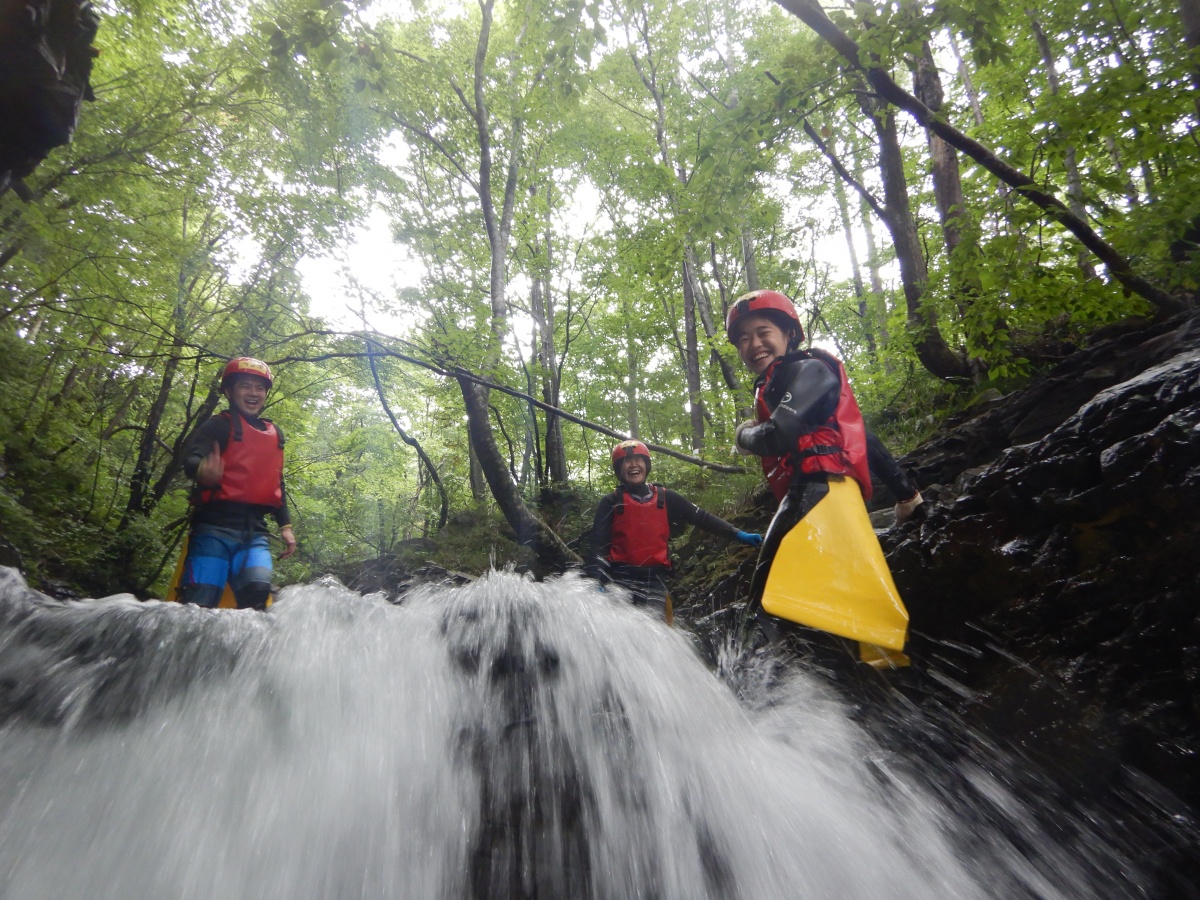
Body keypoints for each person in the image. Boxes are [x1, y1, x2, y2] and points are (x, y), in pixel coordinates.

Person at [727, 289, 921, 618]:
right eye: (744, 338)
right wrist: (906, 495)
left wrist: (744, 435)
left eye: (763, 333)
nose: (754, 344)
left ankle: (755, 661)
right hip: (827, 495)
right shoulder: (779, 385)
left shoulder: (811, 371)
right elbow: (857, 435)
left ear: (789, 334)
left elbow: (776, 436)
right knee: (837, 593)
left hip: (819, 491)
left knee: (765, 598)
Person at [589, 439, 763, 623]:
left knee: (653, 628)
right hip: (618, 580)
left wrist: (738, 534)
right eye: (626, 461)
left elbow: (702, 518)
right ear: (619, 470)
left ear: (646, 465)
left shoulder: (666, 497)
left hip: (654, 580)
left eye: (639, 459)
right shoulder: (611, 501)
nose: (633, 464)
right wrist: (596, 580)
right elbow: (597, 546)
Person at [177, 357, 296, 609]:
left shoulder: (275, 434)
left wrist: (285, 525)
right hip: (212, 528)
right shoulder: (218, 425)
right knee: (199, 601)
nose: (253, 393)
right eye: (245, 386)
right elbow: (192, 457)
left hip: (255, 533)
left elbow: (276, 483)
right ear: (230, 391)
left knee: (258, 593)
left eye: (259, 388)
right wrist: (201, 470)